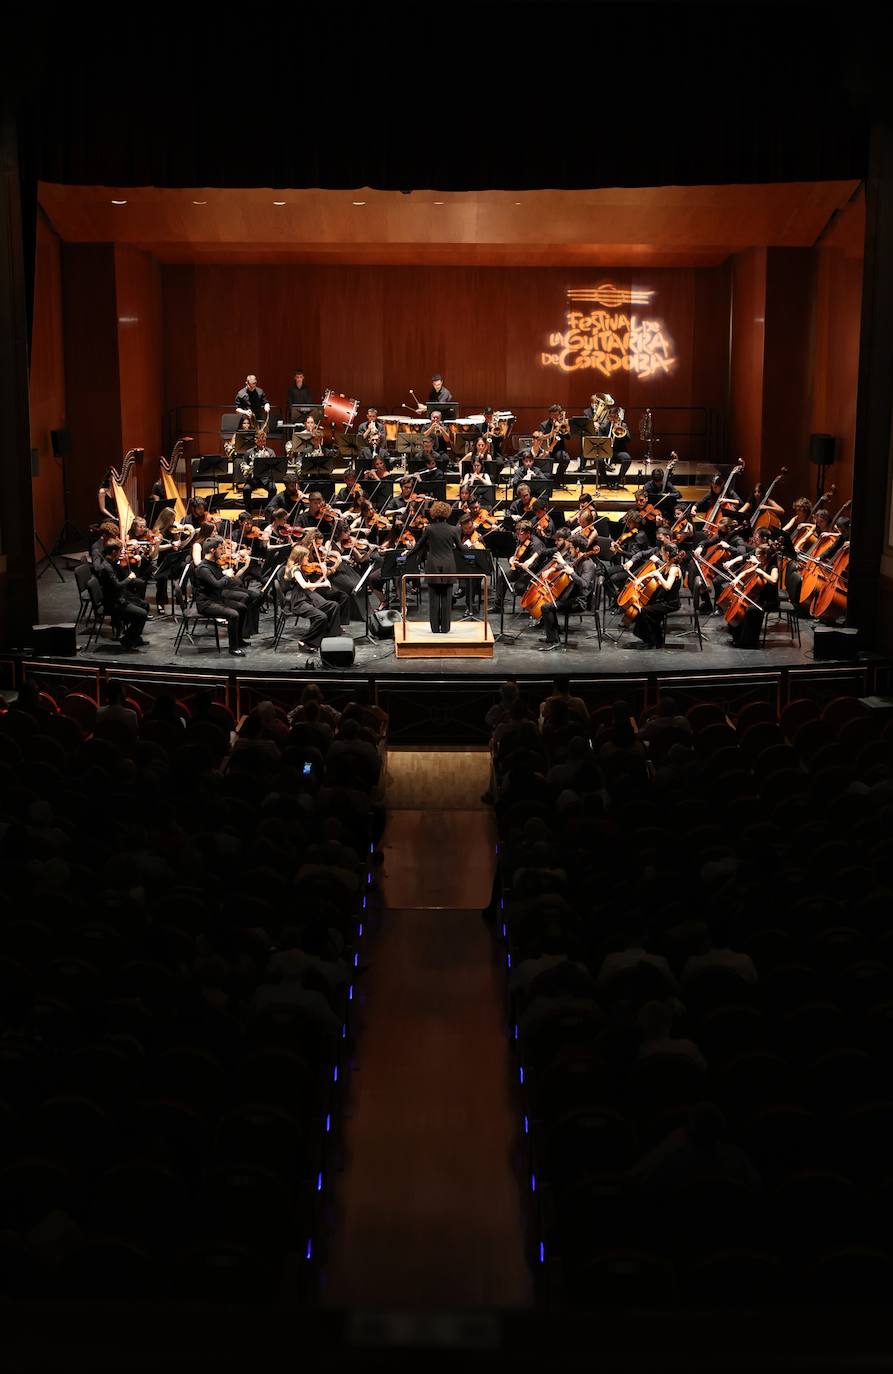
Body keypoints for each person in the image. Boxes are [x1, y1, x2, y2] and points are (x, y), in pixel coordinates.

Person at [192, 537, 256, 656]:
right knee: (233, 614)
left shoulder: (214, 564)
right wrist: (226, 576)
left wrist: (235, 571)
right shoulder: (203, 569)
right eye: (220, 549)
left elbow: (227, 582)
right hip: (206, 604)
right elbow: (217, 584)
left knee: (242, 608)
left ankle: (239, 640)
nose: (223, 552)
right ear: (212, 550)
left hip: (216, 600)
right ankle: (233, 648)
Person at [538, 535, 597, 651]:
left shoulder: (588, 564)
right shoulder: (577, 559)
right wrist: (552, 569)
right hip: (571, 596)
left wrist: (572, 573)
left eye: (571, 548)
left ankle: (554, 641)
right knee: (549, 603)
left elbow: (584, 584)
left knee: (546, 607)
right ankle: (553, 636)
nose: (569, 551)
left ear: (577, 549)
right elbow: (566, 564)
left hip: (579, 602)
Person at [279, 543, 342, 651]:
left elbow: (311, 588)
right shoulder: (295, 570)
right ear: (300, 557)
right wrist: (323, 584)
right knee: (321, 617)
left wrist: (322, 576)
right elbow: (304, 585)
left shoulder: (302, 568)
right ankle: (304, 641)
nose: (308, 559)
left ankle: (329, 636)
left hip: (308, 596)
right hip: (299, 601)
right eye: (306, 557)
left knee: (334, 606)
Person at [413, 500, 462, 633]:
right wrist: (471, 548)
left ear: (433, 513)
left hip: (433, 565)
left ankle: (435, 628)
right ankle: (445, 628)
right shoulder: (454, 529)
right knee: (446, 599)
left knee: (434, 599)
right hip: (448, 565)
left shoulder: (429, 529)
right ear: (448, 513)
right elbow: (461, 548)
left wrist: (408, 554)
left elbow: (419, 546)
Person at [93, 539, 150, 649]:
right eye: (120, 551)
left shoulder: (111, 562)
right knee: (142, 614)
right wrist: (129, 578)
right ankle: (127, 639)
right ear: (114, 552)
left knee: (145, 605)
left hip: (119, 596)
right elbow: (117, 585)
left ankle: (135, 637)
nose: (121, 553)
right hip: (113, 602)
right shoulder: (107, 567)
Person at [629, 541, 682, 648]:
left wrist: (659, 576)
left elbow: (668, 586)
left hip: (671, 603)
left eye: (662, 552)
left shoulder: (674, 569)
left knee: (645, 611)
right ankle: (656, 640)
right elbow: (653, 573)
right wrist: (640, 579)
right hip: (663, 600)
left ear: (667, 553)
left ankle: (650, 641)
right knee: (645, 608)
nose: (661, 554)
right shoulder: (668, 564)